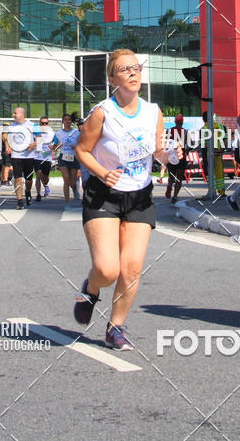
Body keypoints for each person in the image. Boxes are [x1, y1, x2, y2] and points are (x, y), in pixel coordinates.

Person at [73, 49, 179, 351]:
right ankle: (91, 289)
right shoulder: (101, 113)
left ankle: (116, 326)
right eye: (124, 69)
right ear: (112, 79)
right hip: (103, 194)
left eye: (136, 68)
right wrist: (102, 171)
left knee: (131, 267)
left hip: (139, 195)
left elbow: (157, 152)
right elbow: (81, 151)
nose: (133, 73)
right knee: (108, 269)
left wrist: (170, 155)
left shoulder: (152, 111)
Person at [4, 107, 36, 209]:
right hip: (16, 156)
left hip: (29, 156)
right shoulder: (12, 126)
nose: (13, 115)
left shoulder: (31, 125)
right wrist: (7, 147)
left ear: (21, 115)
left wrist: (33, 144)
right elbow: (7, 138)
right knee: (17, 178)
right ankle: (20, 201)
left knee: (28, 179)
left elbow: (40, 137)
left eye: (15, 113)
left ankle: (27, 191)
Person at [52, 114, 81, 207]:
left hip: (73, 158)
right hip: (63, 157)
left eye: (69, 119)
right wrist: (55, 146)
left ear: (71, 122)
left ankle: (74, 189)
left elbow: (83, 144)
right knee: (66, 179)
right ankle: (67, 201)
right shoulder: (58, 133)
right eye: (65, 119)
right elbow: (54, 146)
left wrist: (76, 147)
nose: (67, 121)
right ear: (62, 121)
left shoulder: (77, 133)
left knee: (72, 182)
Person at [165, 113, 188, 203]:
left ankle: (170, 184)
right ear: (182, 122)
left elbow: (165, 144)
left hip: (171, 156)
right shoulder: (185, 132)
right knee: (179, 177)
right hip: (181, 156)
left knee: (171, 176)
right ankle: (175, 196)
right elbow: (190, 144)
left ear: (175, 121)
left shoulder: (169, 131)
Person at [34, 115, 54, 201]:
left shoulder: (52, 133)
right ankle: (38, 194)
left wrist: (53, 147)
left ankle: (46, 185)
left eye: (46, 123)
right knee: (38, 174)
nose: (44, 125)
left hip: (47, 157)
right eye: (42, 123)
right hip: (37, 156)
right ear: (40, 124)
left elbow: (57, 143)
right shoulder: (36, 132)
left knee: (45, 177)